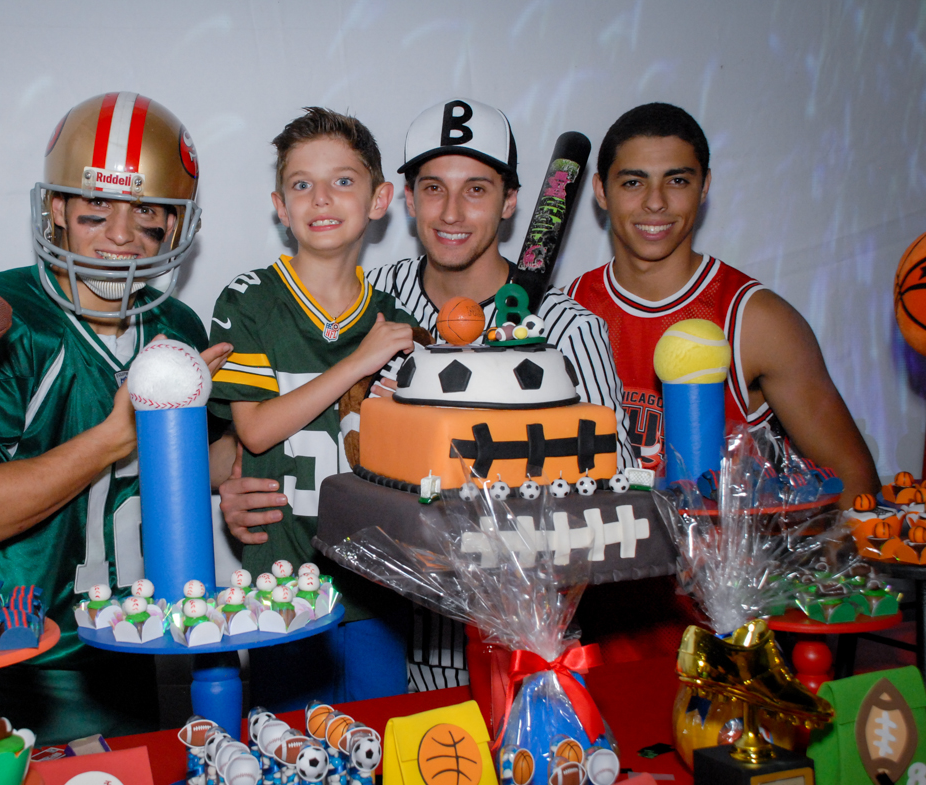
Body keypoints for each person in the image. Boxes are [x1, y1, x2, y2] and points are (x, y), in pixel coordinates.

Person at [216, 98, 635, 692]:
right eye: (434, 188)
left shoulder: (568, 331)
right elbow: (264, 433)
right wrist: (235, 485)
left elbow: (607, 504)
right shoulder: (375, 302)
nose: (453, 211)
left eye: (478, 190)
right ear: (405, 200)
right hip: (378, 633)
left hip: (508, 649)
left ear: (511, 202)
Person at [0, 92, 235, 742]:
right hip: (18, 651)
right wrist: (110, 439)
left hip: (140, 639)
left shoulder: (175, 324)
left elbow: (188, 469)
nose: (121, 234)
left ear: (175, 225)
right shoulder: (1, 323)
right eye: (97, 211)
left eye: (145, 212)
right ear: (58, 209)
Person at [208, 107, 419, 707]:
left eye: (343, 181)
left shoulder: (394, 321)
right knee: (294, 748)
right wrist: (356, 362)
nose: (321, 198)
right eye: (302, 184)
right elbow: (255, 430)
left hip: (376, 580)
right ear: (280, 205)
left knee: (378, 740)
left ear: (380, 200)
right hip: (282, 580)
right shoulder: (249, 301)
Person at [567, 102, 879, 504]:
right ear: (601, 191)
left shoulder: (757, 319)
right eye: (633, 182)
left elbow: (856, 483)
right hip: (601, 556)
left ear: (704, 186)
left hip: (723, 565)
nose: (656, 202)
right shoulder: (568, 310)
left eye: (677, 180)